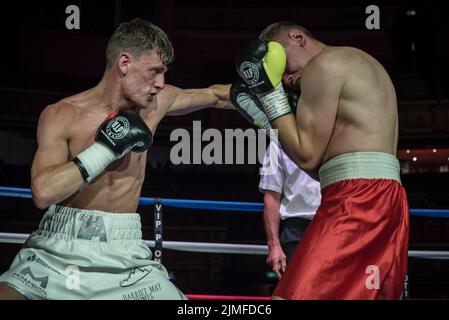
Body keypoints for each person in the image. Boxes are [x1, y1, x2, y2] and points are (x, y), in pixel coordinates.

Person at [0, 18, 231, 300]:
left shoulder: (155, 105)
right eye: (155, 71)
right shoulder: (61, 114)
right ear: (124, 63)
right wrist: (105, 149)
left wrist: (273, 95)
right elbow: (43, 192)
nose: (161, 83)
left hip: (125, 255)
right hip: (56, 251)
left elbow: (216, 96)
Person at [233, 21, 409, 299]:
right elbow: (321, 168)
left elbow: (306, 155)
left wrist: (269, 94)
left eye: (285, 67)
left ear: (297, 37)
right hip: (388, 198)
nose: (287, 80)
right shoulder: (362, 63)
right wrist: (269, 121)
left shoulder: (323, 65)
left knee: (291, 296)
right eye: (280, 78)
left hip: (357, 198)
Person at [259, 141, 321, 280]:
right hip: (297, 231)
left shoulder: (340, 136)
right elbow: (271, 197)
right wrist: (274, 246)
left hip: (337, 224)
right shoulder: (277, 144)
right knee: (295, 292)